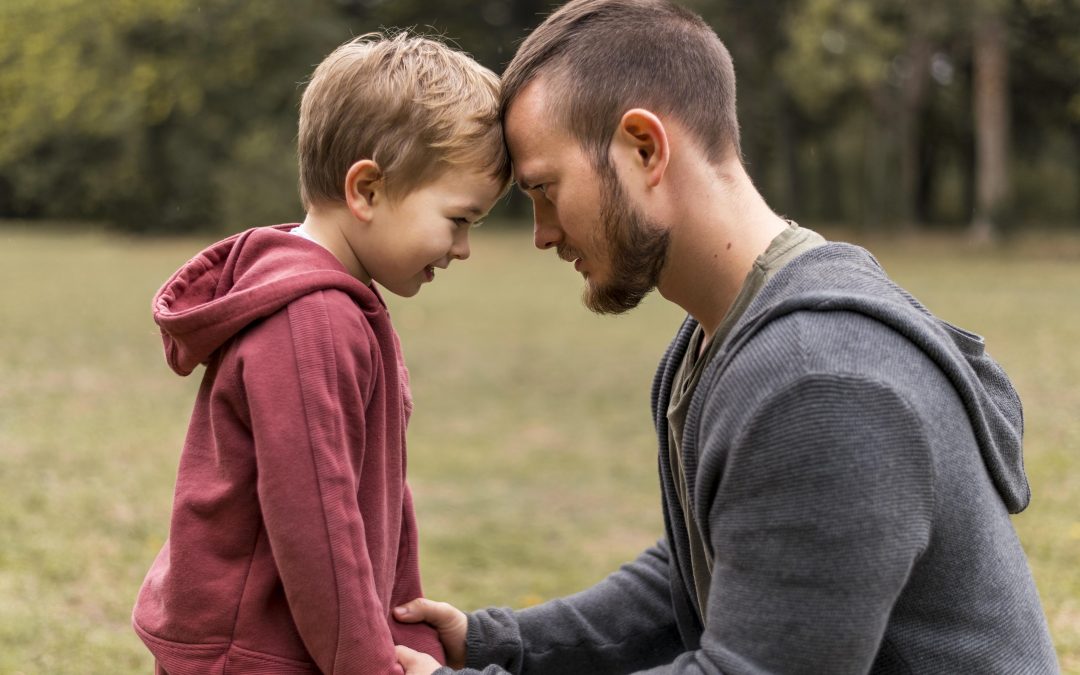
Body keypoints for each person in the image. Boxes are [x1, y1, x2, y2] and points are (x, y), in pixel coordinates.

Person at [392, 0, 1059, 673]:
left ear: (644, 148)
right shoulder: (724, 335)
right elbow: (696, 575)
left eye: (546, 188)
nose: (542, 232)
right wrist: (501, 643)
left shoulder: (820, 379)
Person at [131, 32, 510, 674]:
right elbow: (316, 522)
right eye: (459, 219)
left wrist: (401, 625)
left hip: (289, 644)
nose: (463, 248)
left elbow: (370, 488)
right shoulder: (313, 318)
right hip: (251, 653)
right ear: (366, 190)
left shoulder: (339, 303)